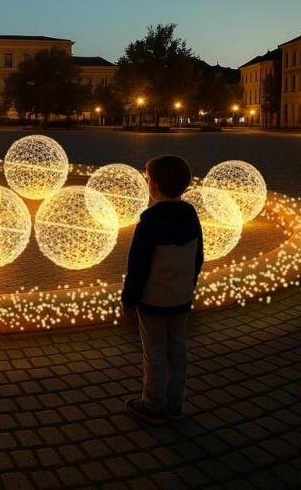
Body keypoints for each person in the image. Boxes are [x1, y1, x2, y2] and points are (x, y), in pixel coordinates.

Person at [122, 155, 204, 424]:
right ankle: (175, 404)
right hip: (181, 299)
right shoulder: (191, 214)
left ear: (153, 185)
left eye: (147, 179)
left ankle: (153, 404)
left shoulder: (150, 220)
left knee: (154, 353)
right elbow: (198, 257)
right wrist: (189, 286)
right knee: (178, 350)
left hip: (153, 301)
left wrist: (129, 299)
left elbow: (138, 265)